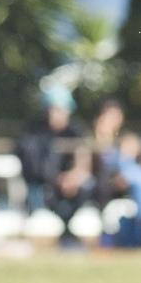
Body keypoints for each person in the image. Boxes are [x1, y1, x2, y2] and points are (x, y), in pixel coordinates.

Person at [14, 86, 93, 248]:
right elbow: (33, 166)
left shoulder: (75, 131)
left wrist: (72, 176)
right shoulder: (33, 132)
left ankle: (67, 233)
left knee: (86, 186)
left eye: (60, 110)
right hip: (40, 186)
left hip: (68, 187)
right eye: (53, 109)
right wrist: (55, 179)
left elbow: (83, 159)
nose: (55, 114)